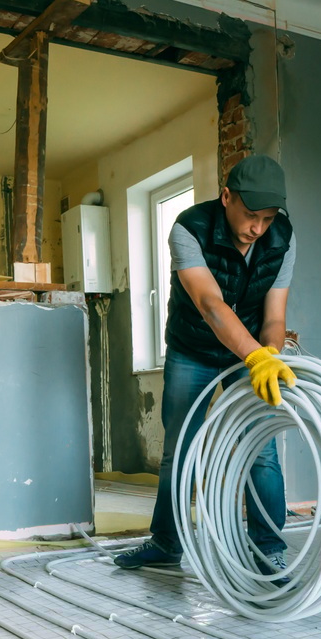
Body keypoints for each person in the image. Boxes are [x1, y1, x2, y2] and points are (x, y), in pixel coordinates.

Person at [115, 154, 297, 574]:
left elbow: (274, 316)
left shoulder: (283, 239)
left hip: (247, 351)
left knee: (261, 449)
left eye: (268, 219)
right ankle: (166, 543)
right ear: (226, 196)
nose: (259, 228)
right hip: (193, 350)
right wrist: (255, 354)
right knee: (180, 450)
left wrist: (267, 355)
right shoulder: (189, 228)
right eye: (251, 215)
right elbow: (210, 304)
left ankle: (268, 549)